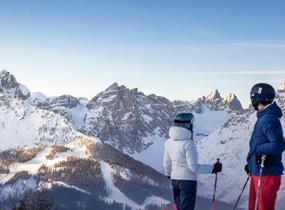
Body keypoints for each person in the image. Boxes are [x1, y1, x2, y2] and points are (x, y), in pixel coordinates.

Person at [163, 112, 222, 210]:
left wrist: (169, 174)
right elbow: (193, 167)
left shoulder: (168, 142)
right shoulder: (188, 143)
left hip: (174, 180)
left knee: (178, 207)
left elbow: (167, 162)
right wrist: (213, 169)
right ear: (187, 125)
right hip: (188, 180)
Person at [245, 83, 285, 210]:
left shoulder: (268, 119)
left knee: (263, 208)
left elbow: (278, 145)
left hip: (267, 173)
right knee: (254, 206)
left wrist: (259, 150)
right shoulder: (264, 117)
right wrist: (251, 164)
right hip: (259, 171)